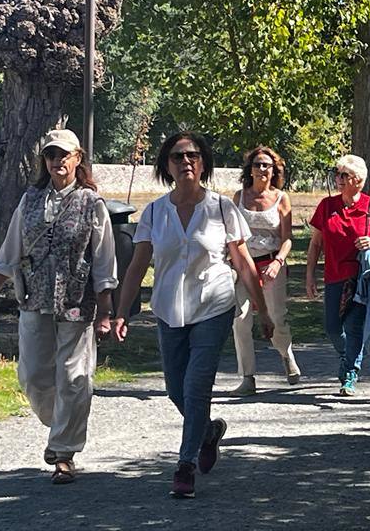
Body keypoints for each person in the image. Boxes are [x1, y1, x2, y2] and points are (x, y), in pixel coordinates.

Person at [112, 131, 274, 498]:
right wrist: (122, 312)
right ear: (166, 166)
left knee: (196, 387)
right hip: (169, 310)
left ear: (204, 164)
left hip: (213, 307)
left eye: (194, 156)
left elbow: (244, 264)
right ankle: (208, 432)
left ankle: (184, 466)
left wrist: (262, 310)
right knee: (175, 389)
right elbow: (138, 266)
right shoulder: (155, 211)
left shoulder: (221, 208)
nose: (186, 162)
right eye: (178, 157)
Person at [0, 129, 116, 485]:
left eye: (64, 155)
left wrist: (105, 311)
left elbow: (104, 263)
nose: (57, 161)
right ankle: (59, 426)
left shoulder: (92, 204)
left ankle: (64, 452)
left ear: (77, 160)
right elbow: (9, 253)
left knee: (74, 377)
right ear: (44, 161)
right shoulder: (30, 200)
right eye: (51, 155)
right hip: (34, 299)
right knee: (34, 376)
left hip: (77, 301)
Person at [306, 155, 370, 396]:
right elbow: (315, 244)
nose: (337, 179)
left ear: (357, 180)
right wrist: (309, 276)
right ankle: (347, 355)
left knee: (354, 325)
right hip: (334, 276)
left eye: (343, 175)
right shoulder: (327, 206)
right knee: (332, 327)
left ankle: (350, 371)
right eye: (337, 174)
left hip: (362, 278)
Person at [228, 146, 299, 396]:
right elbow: (231, 233)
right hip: (243, 266)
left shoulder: (282, 198)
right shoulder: (239, 197)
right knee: (240, 319)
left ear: (274, 170)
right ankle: (248, 377)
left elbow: (287, 238)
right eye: (257, 164)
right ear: (250, 169)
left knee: (276, 317)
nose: (261, 169)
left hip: (272, 264)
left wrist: (278, 261)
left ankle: (285, 353)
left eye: (266, 165)